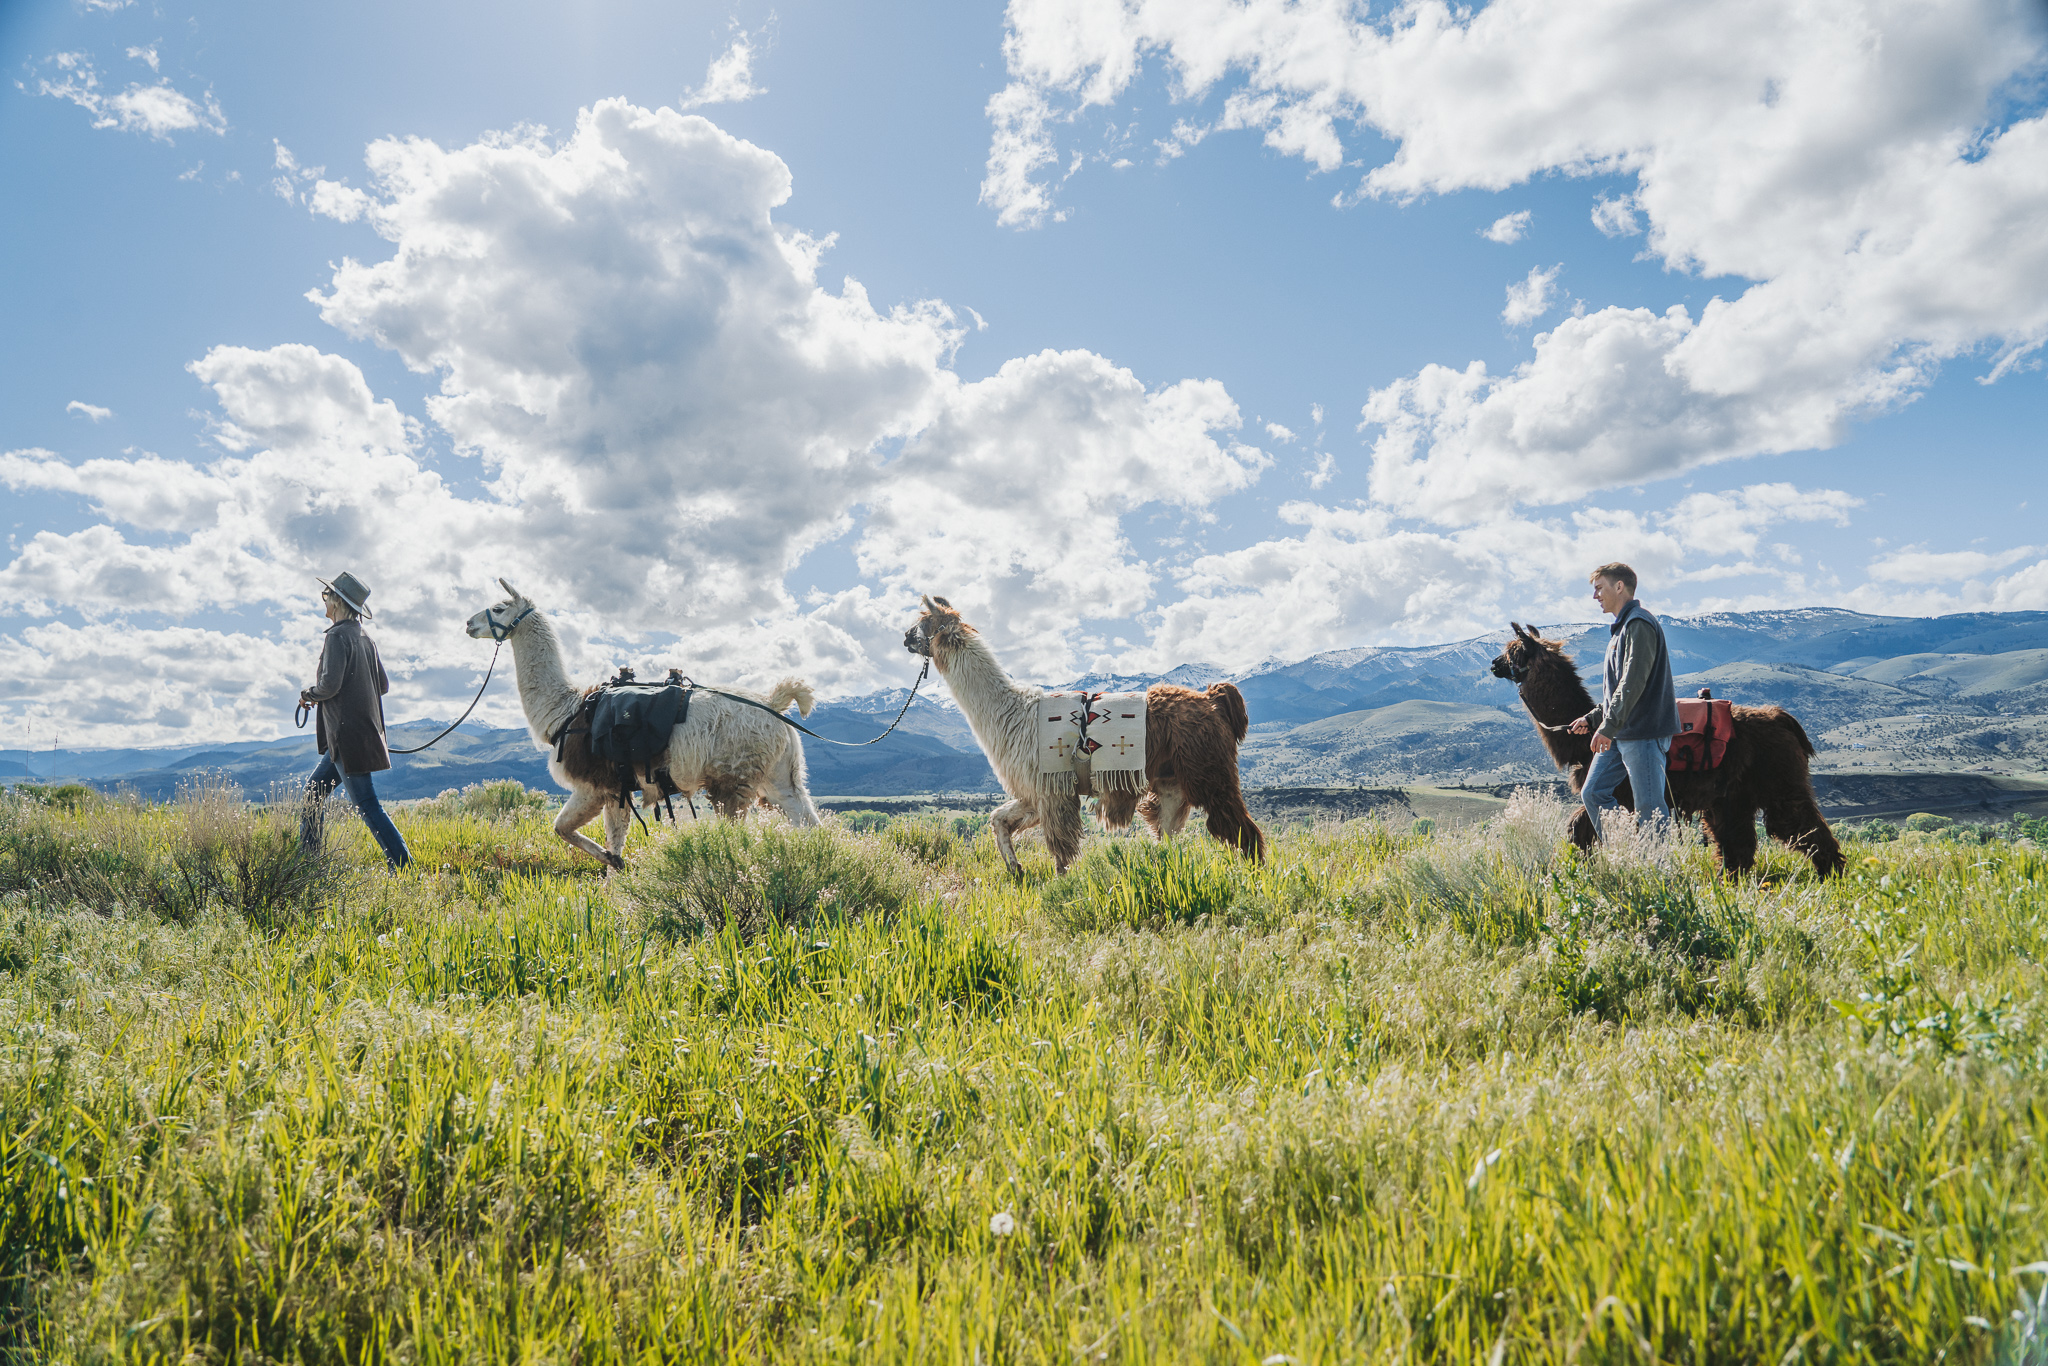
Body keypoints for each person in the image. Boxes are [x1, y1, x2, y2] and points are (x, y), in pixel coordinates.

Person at [299, 571, 411, 868]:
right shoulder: (365, 638)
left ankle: (404, 866)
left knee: (366, 804)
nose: (324, 600)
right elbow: (382, 685)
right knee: (313, 792)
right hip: (358, 736)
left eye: (327, 596)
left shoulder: (336, 636)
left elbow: (329, 686)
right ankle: (308, 861)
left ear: (337, 602)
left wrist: (307, 694)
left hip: (346, 738)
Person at [1567, 561, 1680, 842]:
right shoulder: (1621, 629)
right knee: (1592, 792)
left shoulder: (1638, 624)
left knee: (1650, 808)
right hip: (1621, 731)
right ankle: (1625, 851)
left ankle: (1659, 871)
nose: (1595, 596)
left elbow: (1633, 682)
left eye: (1599, 588)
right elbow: (1618, 689)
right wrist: (1593, 719)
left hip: (1642, 732)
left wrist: (1607, 726)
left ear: (1619, 587)